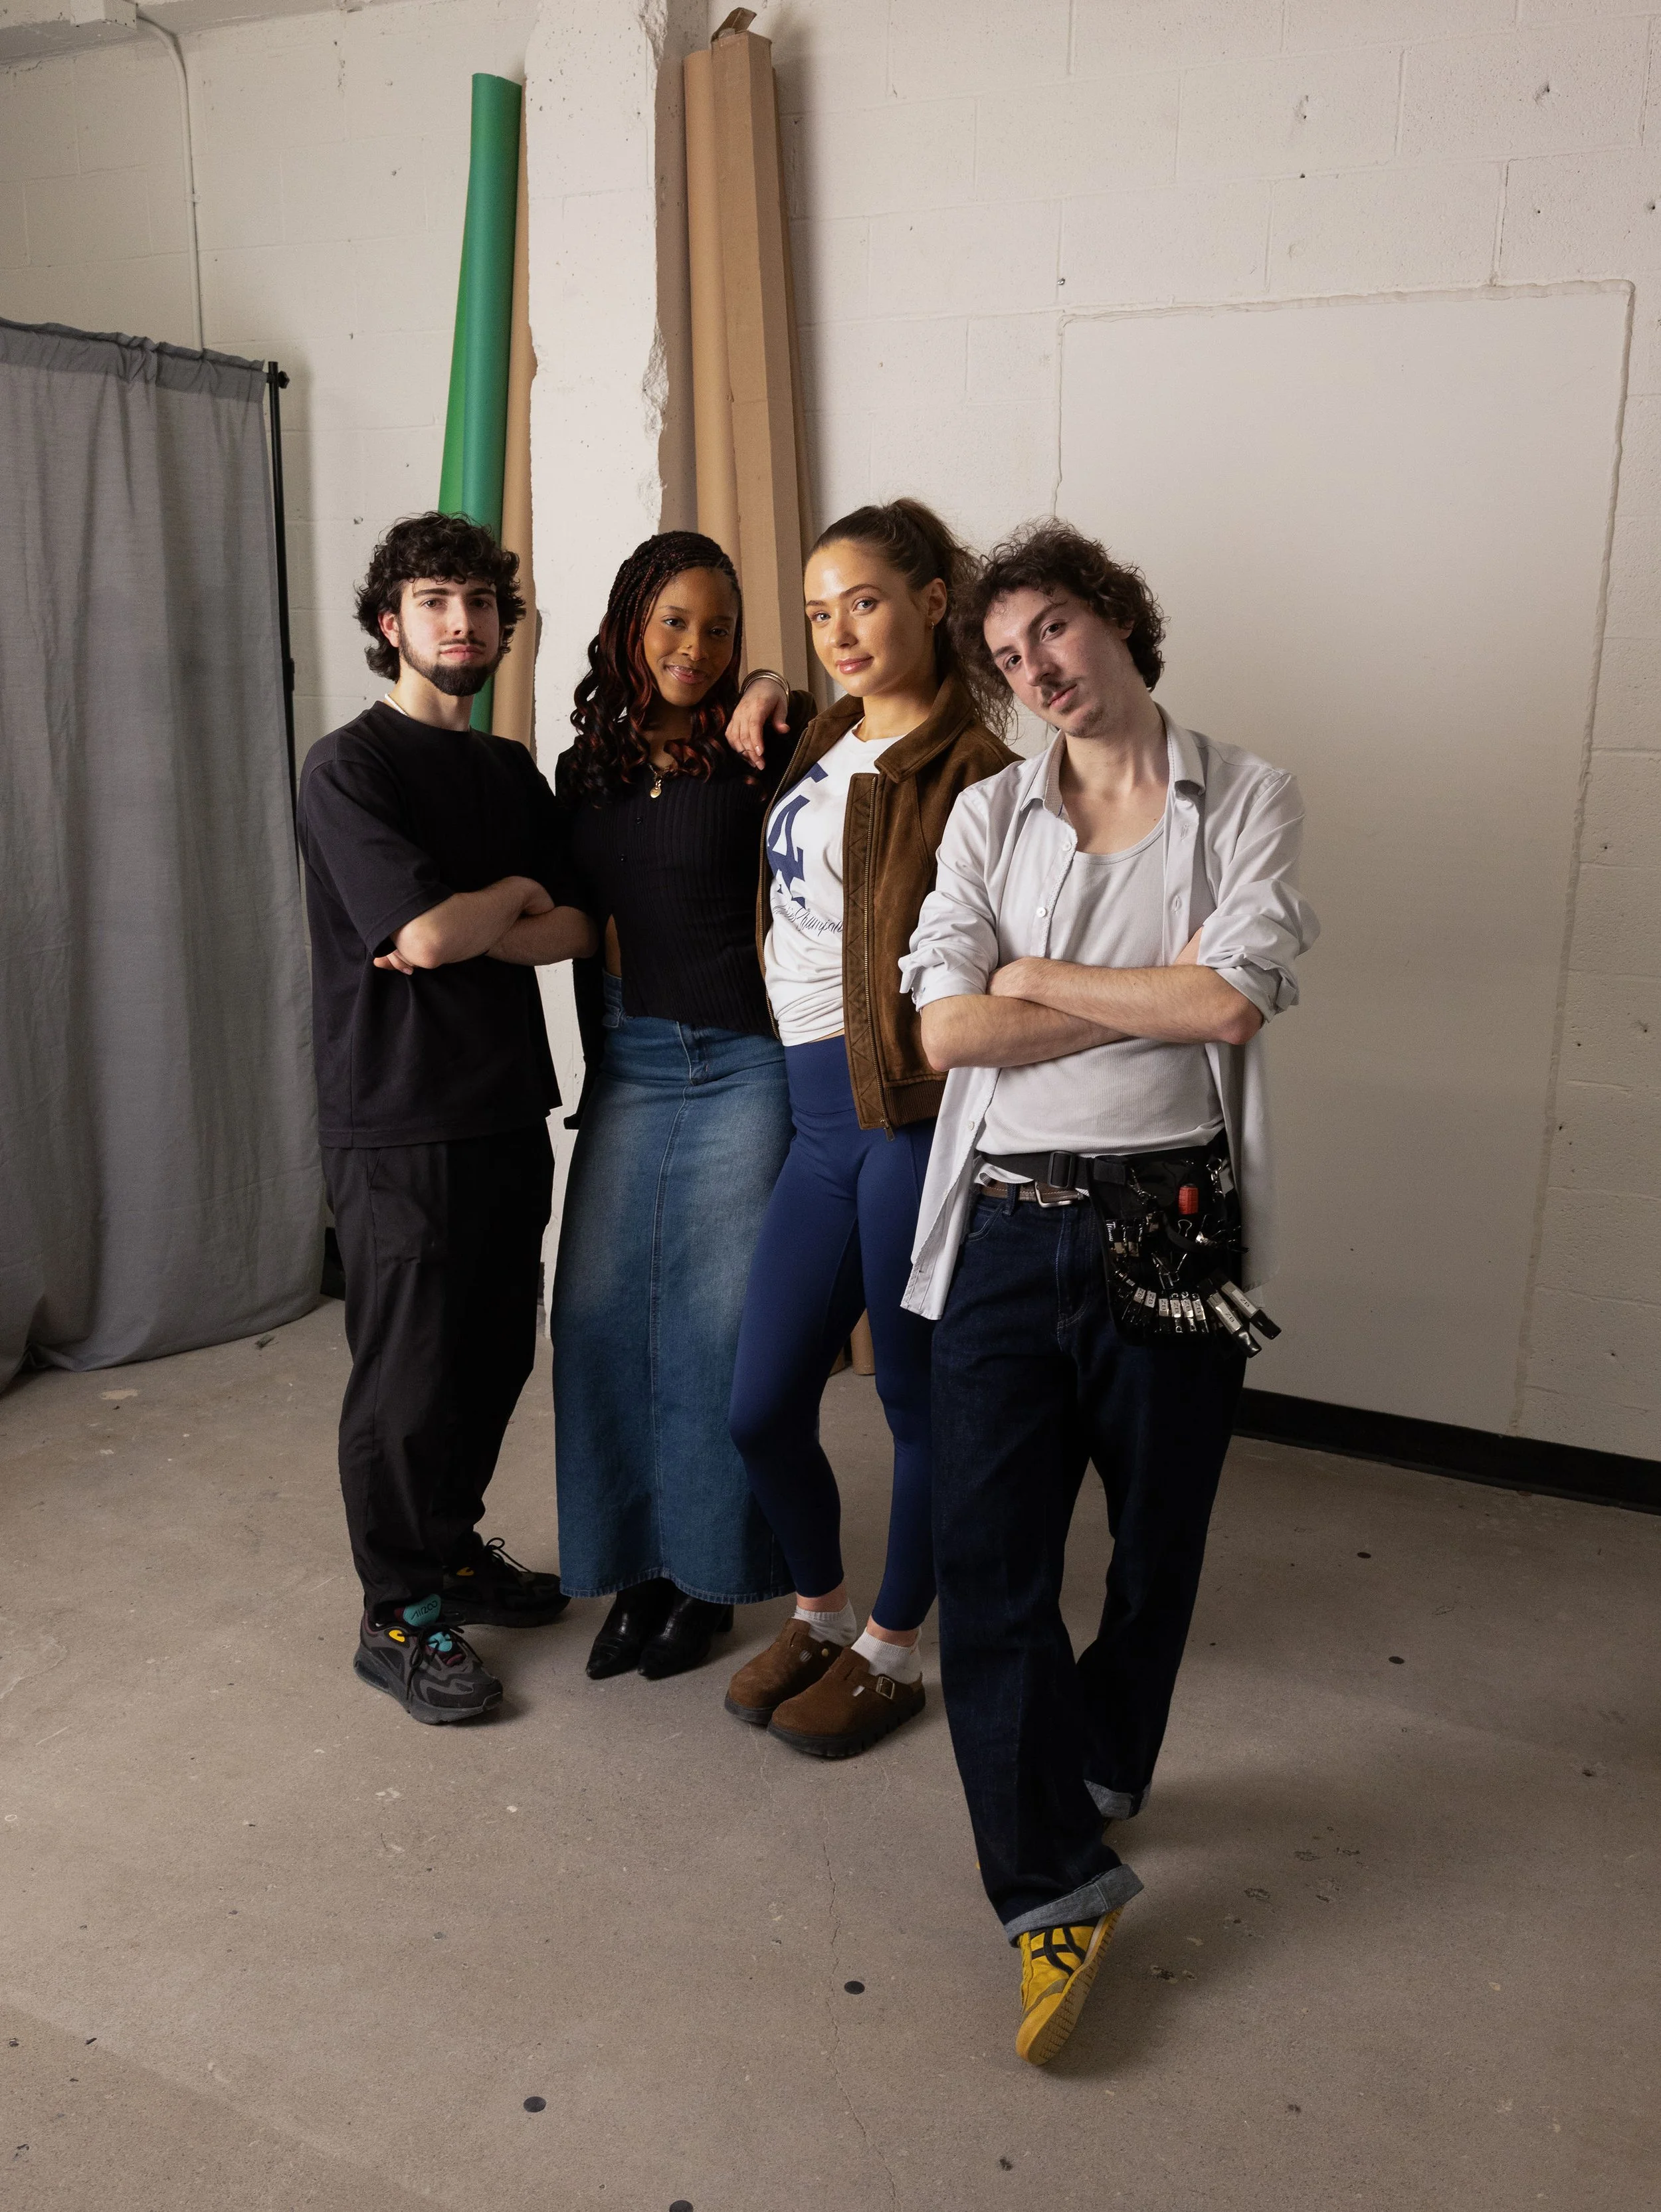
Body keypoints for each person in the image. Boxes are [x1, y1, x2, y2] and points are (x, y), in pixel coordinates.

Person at [902, 519, 1318, 2063]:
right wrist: (1144, 1001)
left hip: (1173, 1230)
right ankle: (1050, 1889)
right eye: (1007, 658)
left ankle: (1104, 1759)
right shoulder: (987, 817)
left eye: (1054, 630)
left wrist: (1034, 980)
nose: (1036, 670)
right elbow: (944, 1031)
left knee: (1156, 1546)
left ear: (1117, 617)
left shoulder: (1247, 797)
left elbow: (1231, 1003)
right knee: (988, 1565)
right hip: (1007, 1229)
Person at [719, 499, 1015, 1759]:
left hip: (903, 1118)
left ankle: (894, 1648)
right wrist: (771, 686)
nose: (839, 630)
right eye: (818, 611)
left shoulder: (978, 773)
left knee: (912, 1398)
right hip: (812, 1120)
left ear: (933, 602)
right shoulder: (827, 731)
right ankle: (824, 1614)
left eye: (866, 602)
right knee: (760, 1405)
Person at [297, 512, 595, 1727]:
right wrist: (505, 898)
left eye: (478, 601)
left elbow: (576, 926)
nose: (460, 621)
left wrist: (488, 918)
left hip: (505, 1103)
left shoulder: (510, 772)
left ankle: (451, 1550)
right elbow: (417, 938)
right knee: (408, 1376)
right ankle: (397, 1611)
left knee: (492, 1352)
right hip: (395, 1118)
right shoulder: (347, 769)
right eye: (433, 600)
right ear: (391, 623)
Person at [549, 532, 816, 1682]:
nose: (695, 647)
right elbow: (575, 916)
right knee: (596, 1314)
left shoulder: (763, 746)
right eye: (673, 621)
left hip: (745, 1058)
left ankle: (707, 1580)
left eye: (718, 629)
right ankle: (635, 1569)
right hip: (634, 1056)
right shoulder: (586, 768)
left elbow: (844, 737)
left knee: (716, 1330)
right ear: (629, 624)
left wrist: (772, 686)